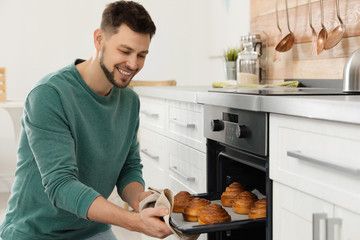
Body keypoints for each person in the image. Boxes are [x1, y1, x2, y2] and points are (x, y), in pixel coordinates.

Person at [0, 1, 173, 239]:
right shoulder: (50, 95)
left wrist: (139, 200)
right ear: (99, 40)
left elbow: (129, 167)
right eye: (124, 51)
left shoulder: (130, 101)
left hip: (91, 228)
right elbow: (61, 186)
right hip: (36, 232)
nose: (133, 64)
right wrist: (133, 223)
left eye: (141, 55)